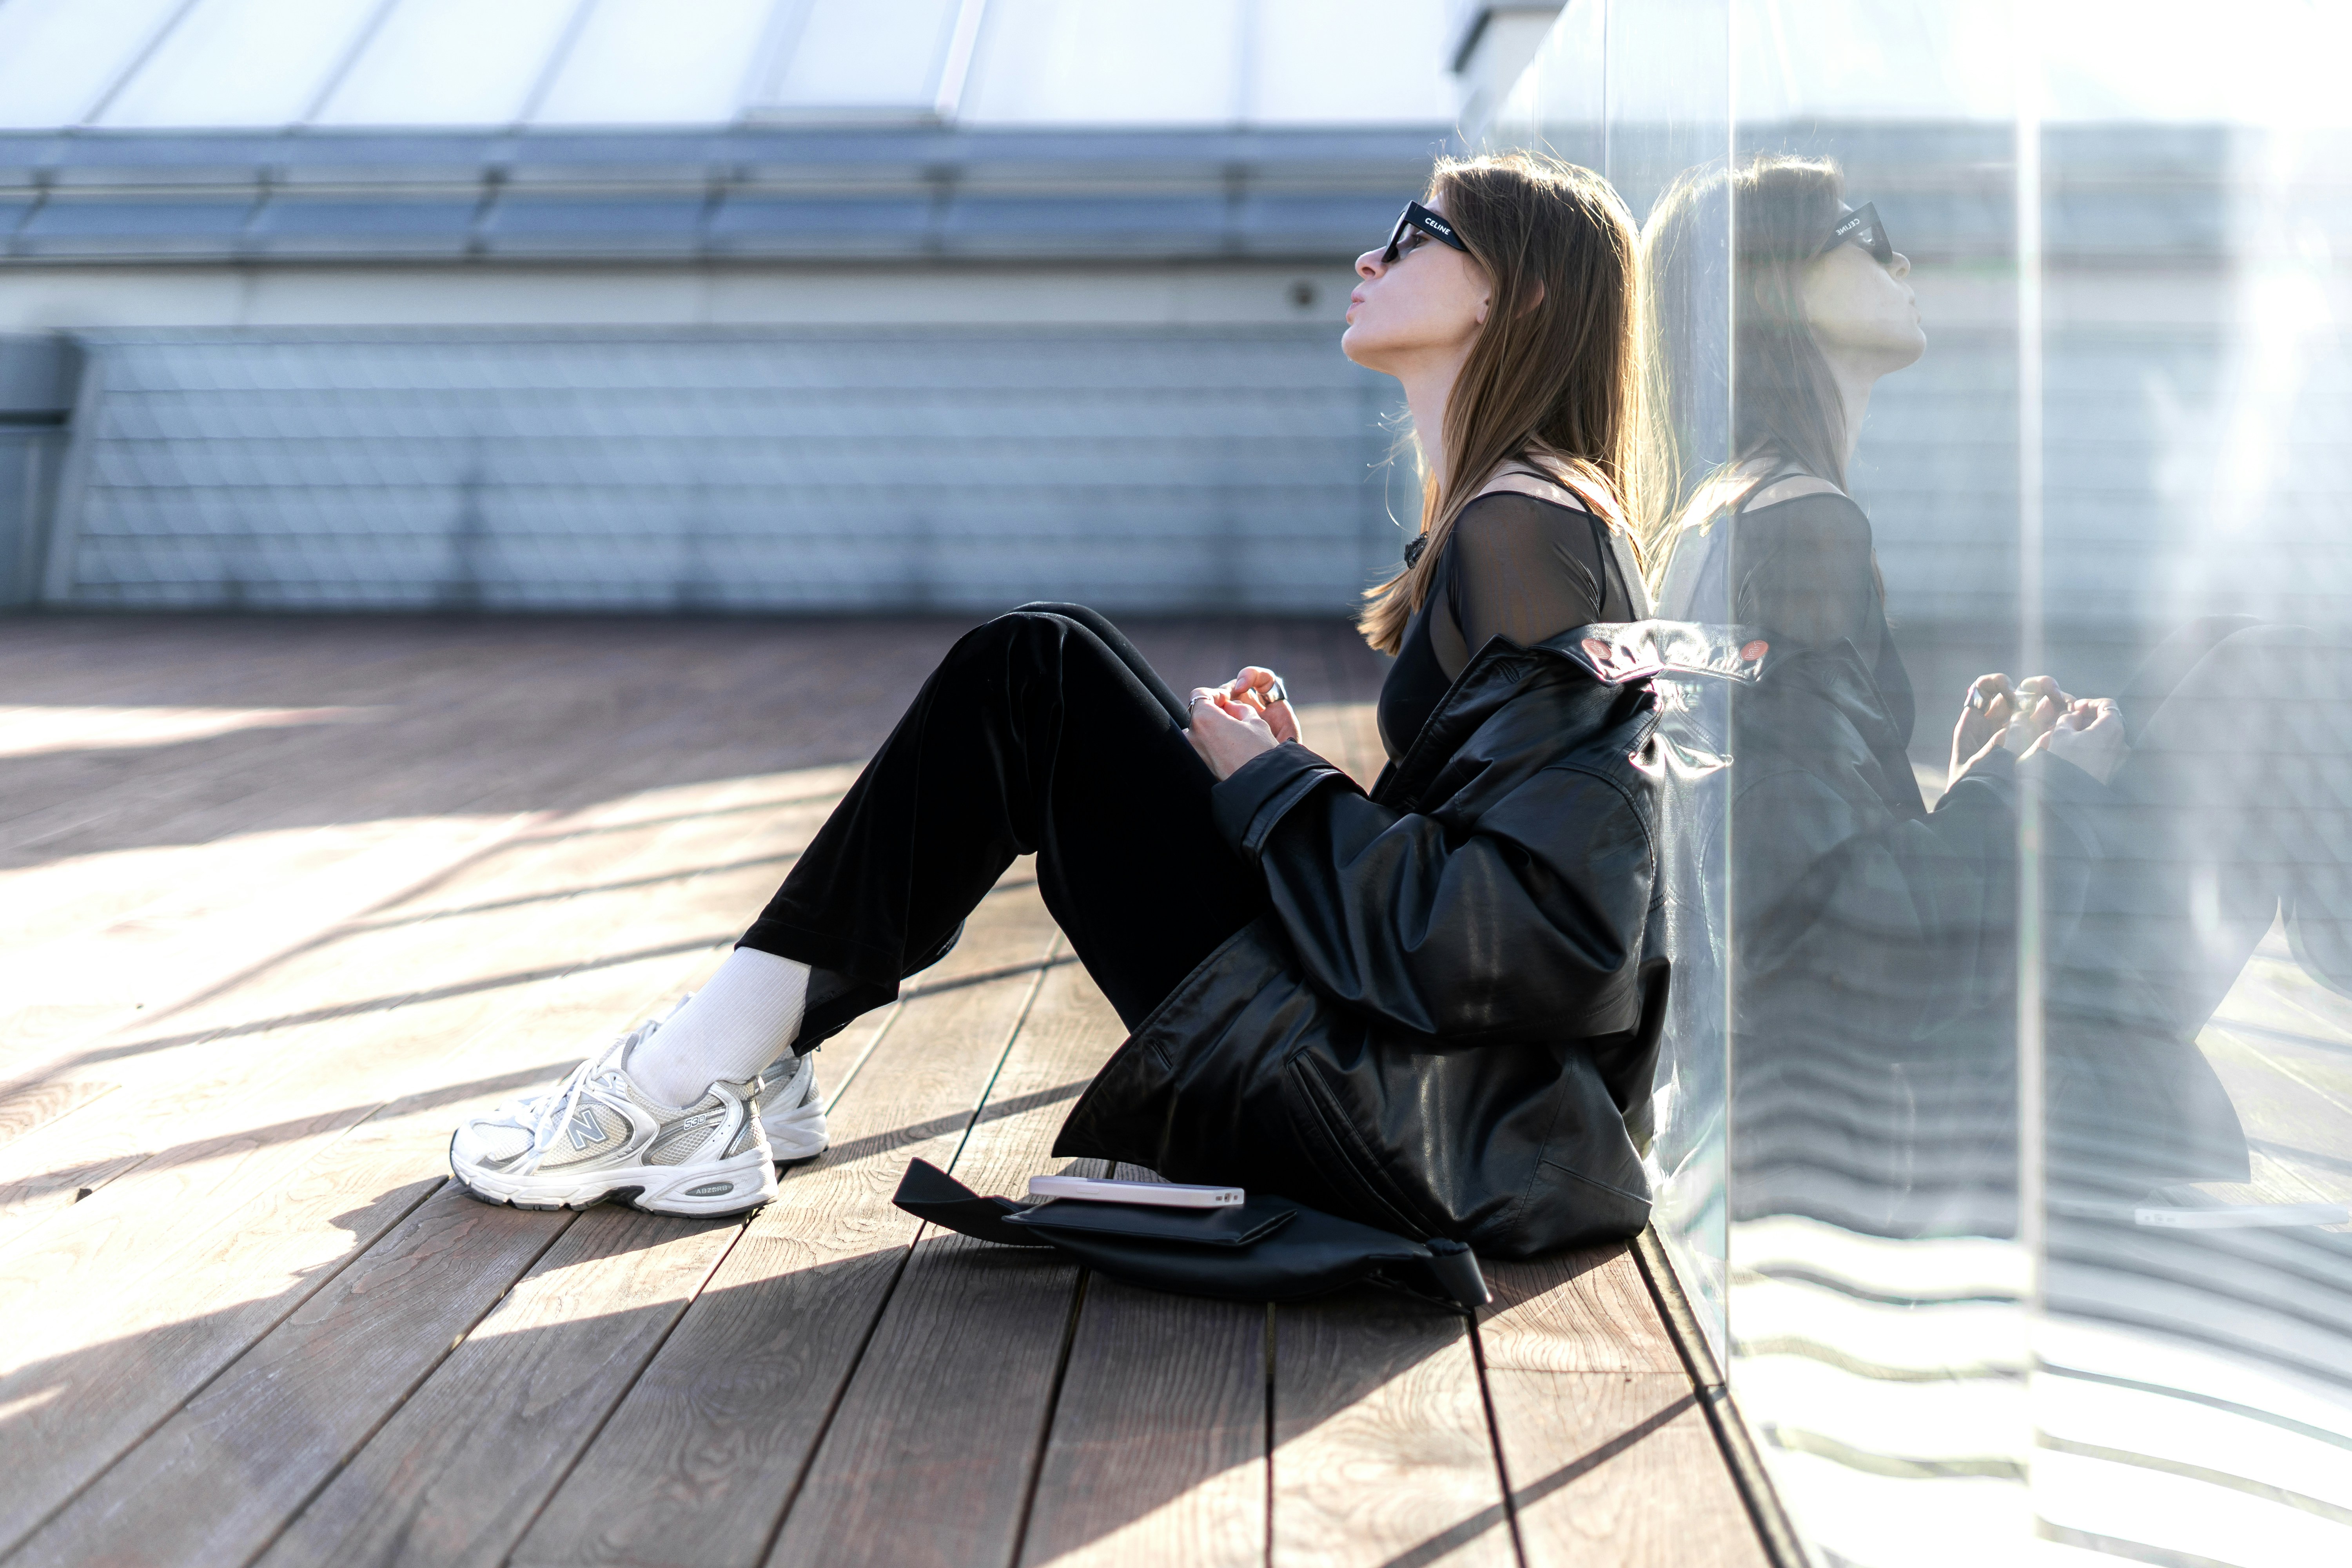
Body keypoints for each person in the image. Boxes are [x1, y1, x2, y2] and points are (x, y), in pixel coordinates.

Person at [448, 153, 1678, 1259]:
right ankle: (735, 1063)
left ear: (1520, 297)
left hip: (1436, 1127)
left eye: (1418, 232)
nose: (1371, 256)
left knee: (1033, 670)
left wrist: (1277, 793)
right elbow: (1497, 868)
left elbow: (1546, 949)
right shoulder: (1507, 520)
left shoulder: (1533, 529)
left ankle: (675, 1086)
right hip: (1430, 1087)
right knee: (1060, 657)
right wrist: (1284, 783)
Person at [1645, 155, 2352, 1226]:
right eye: (1864, 230)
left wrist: (1986, 778)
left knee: (2226, 658)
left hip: (1803, 1090)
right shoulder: (1799, 531)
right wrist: (2033, 794)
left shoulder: (1725, 517)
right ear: (1781, 282)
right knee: (2278, 681)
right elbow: (1816, 939)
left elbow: (1782, 875)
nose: (1902, 256)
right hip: (1885, 1114)